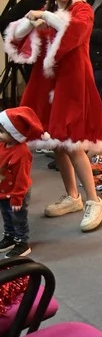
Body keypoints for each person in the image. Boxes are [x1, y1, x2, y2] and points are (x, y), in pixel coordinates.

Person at [3, 0, 102, 232]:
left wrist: (45, 17)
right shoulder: (44, 11)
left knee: (72, 142)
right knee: (56, 141)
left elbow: (75, 29)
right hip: (47, 82)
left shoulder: (83, 9)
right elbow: (15, 37)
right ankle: (72, 196)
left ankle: (94, 201)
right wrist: (32, 22)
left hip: (72, 81)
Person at [0, 106, 43, 258]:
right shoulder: (3, 145)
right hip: (4, 191)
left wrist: (17, 197)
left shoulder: (22, 153)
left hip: (17, 193)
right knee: (6, 215)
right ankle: (10, 236)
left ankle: (22, 242)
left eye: (2, 132)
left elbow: (22, 179)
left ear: (14, 134)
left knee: (18, 217)